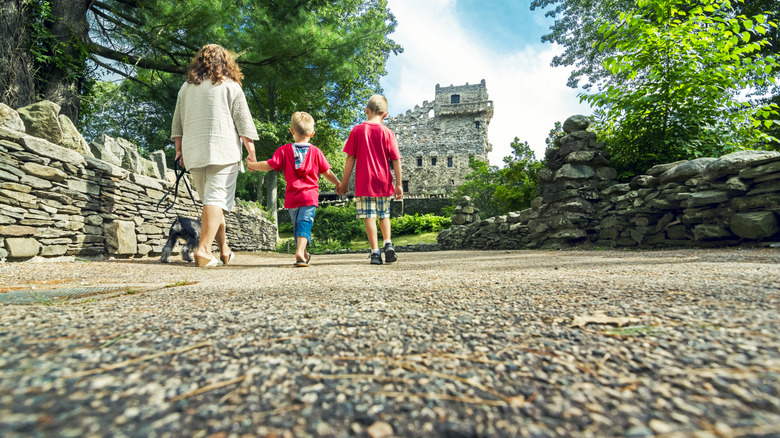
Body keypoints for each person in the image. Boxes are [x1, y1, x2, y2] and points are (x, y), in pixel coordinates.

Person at [171, 44, 259, 267]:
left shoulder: (185, 88)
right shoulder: (231, 87)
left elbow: (177, 123)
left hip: (194, 152)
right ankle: (203, 250)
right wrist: (251, 153)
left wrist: (178, 150)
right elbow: (244, 124)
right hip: (223, 150)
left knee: (212, 202)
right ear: (226, 62)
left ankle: (225, 250)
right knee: (215, 200)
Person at [246, 112, 341, 267]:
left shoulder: (284, 150)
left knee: (298, 224)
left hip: (292, 198)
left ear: (292, 131)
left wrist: (252, 165)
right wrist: (338, 183)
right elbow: (327, 172)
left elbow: (270, 165)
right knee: (305, 223)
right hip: (309, 196)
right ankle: (300, 251)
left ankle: (303, 252)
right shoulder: (316, 152)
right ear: (312, 133)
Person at [336, 95, 403, 265]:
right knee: (384, 215)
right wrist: (399, 185)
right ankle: (387, 243)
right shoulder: (388, 133)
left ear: (366, 111)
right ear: (385, 115)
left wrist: (343, 183)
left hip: (364, 184)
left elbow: (350, 159)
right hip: (383, 182)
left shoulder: (357, 130)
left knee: (370, 217)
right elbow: (396, 160)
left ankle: (375, 253)